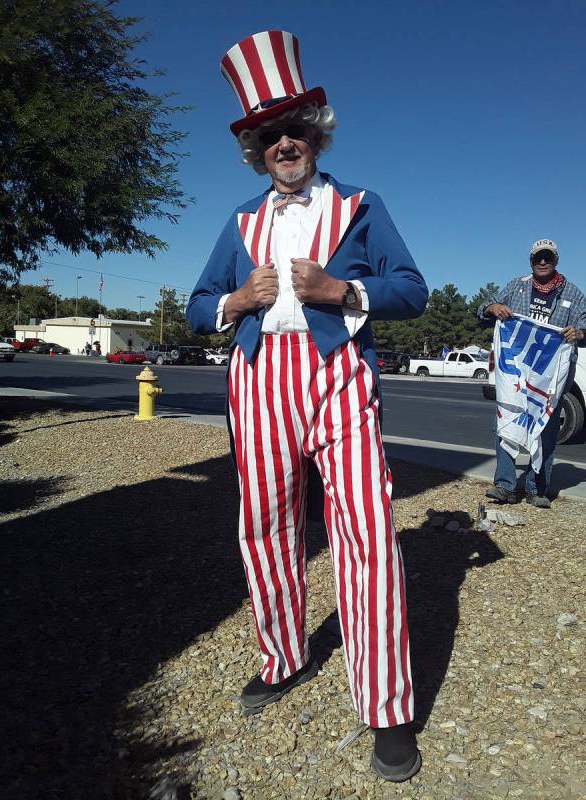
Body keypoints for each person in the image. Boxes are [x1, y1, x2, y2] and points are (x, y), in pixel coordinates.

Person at [187, 31, 428, 782]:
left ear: (316, 134)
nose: (284, 143)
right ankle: (284, 655)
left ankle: (386, 706)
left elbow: (412, 290)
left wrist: (342, 291)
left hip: (338, 376)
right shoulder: (239, 222)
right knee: (262, 525)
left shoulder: (361, 203)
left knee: (365, 532)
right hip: (258, 382)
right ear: (256, 151)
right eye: (269, 136)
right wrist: (234, 298)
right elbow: (198, 306)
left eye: (295, 129)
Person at [478, 238, 586, 507]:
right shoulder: (516, 286)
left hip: (552, 375)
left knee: (547, 426)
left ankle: (536, 489)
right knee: (508, 419)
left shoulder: (573, 293)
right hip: (517, 371)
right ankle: (504, 485)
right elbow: (483, 308)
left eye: (547, 257)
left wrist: (579, 332)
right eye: (537, 257)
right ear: (531, 260)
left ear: (556, 260)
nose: (542, 262)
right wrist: (493, 308)